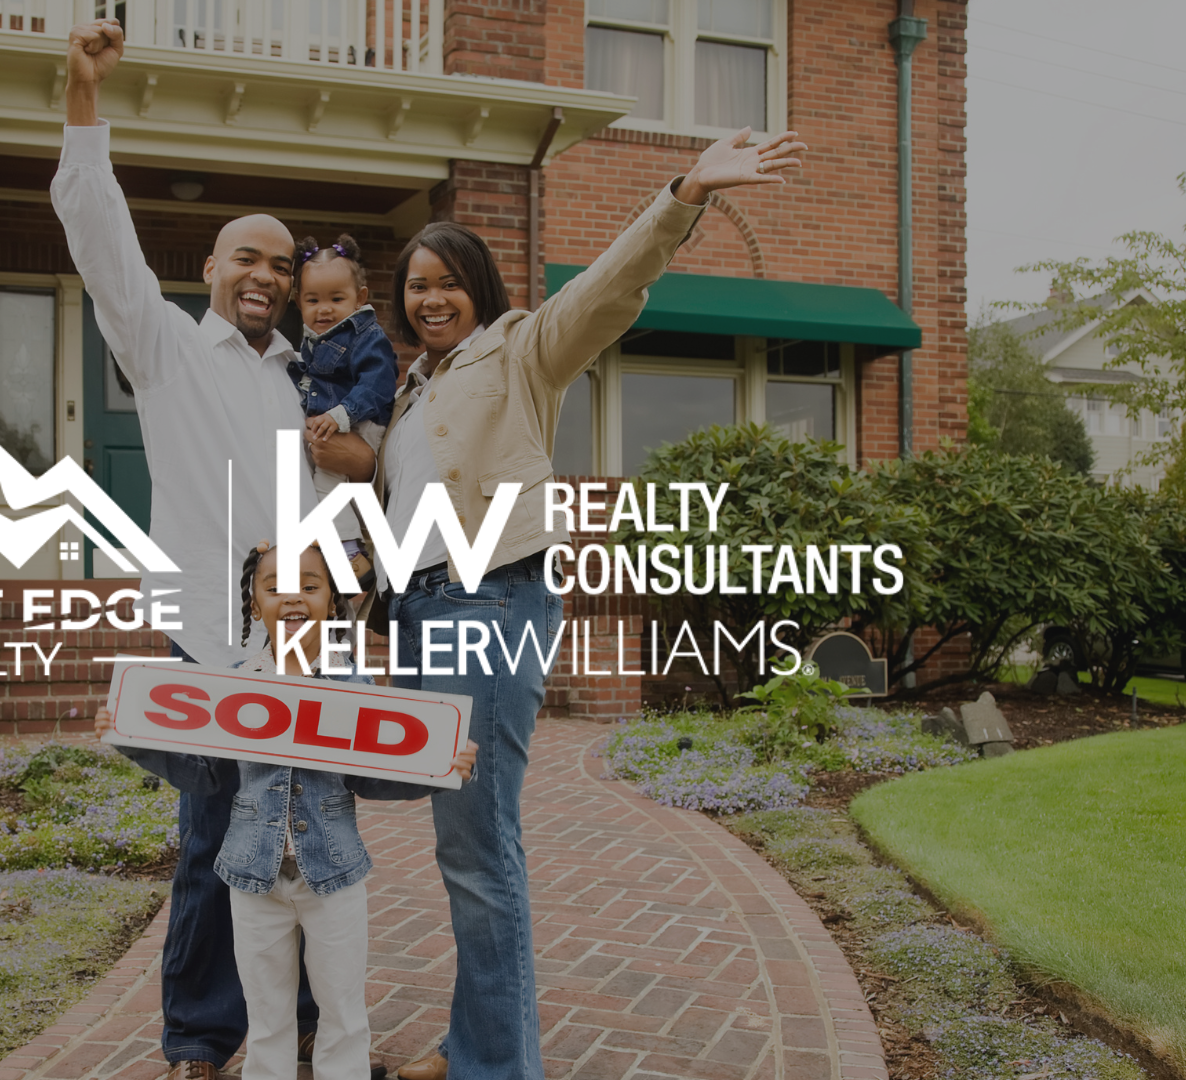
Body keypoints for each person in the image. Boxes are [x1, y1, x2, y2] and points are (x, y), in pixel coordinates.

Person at [312, 127, 810, 1080]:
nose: (430, 297)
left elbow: (608, 288)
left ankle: (496, 1065)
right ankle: (478, 1047)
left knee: (477, 841)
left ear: (480, 289)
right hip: (420, 611)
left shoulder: (522, 350)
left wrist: (685, 193)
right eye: (415, 285)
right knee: (439, 819)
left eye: (447, 280)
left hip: (487, 601)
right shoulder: (412, 394)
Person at [52, 18, 380, 1080]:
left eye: (283, 266)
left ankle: (313, 1044)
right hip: (210, 634)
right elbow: (100, 242)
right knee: (212, 848)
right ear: (210, 266)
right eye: (249, 257)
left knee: (311, 842)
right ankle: (201, 1045)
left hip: (305, 636)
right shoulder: (164, 351)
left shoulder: (303, 380)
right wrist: (84, 104)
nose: (269, 276)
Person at [97, 541, 477, 1080]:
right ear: (253, 603)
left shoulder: (353, 687)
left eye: (310, 585)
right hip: (253, 876)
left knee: (342, 1013)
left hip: (334, 875)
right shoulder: (232, 683)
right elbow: (204, 775)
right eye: (274, 587)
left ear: (332, 602)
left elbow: (371, 777)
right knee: (267, 1015)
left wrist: (441, 770)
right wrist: (132, 738)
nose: (292, 597)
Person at [289, 234, 401, 563]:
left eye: (336, 298)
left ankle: (351, 554)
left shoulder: (365, 335)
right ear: (298, 302)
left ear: (359, 298)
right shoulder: (314, 341)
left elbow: (379, 382)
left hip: (362, 422)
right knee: (329, 486)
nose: (324, 308)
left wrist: (341, 415)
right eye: (313, 300)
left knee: (327, 485)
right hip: (343, 423)